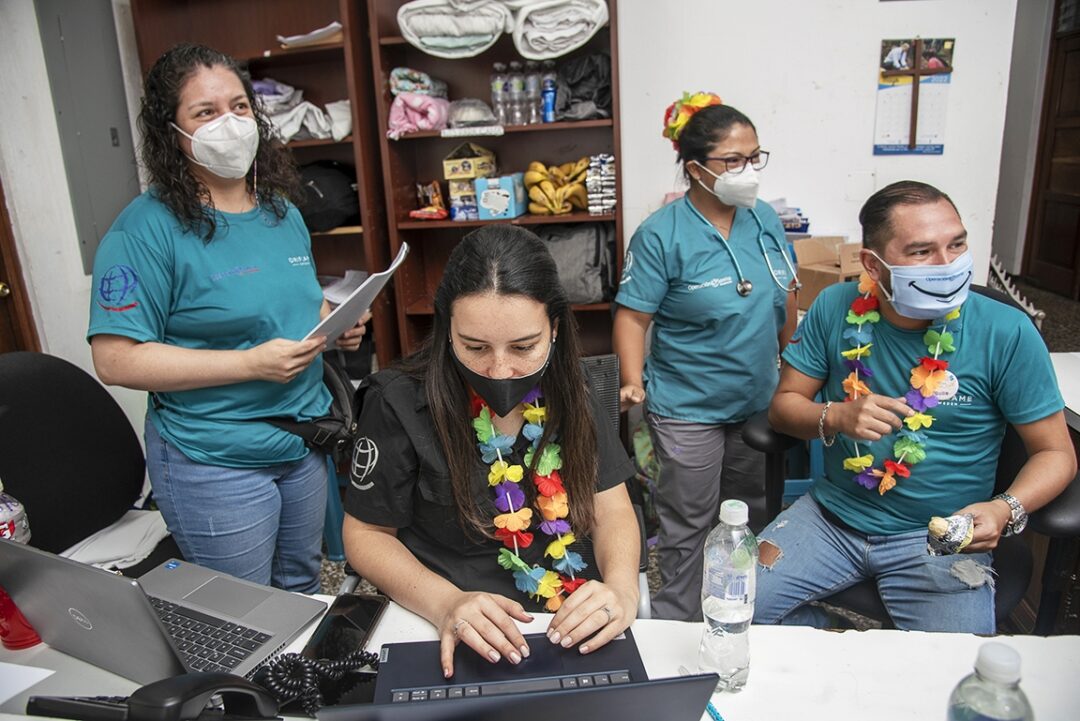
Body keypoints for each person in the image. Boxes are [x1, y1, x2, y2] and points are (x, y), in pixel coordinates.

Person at [87, 44, 367, 594]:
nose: (230, 124)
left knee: (301, 590)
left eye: (239, 107)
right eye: (205, 113)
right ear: (173, 131)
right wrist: (249, 365)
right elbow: (115, 358)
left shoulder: (280, 212)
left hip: (302, 441)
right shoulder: (144, 229)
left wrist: (336, 324)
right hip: (214, 458)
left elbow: (293, 305)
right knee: (243, 612)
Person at [757, 180, 1076, 632]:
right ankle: (826, 643)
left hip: (941, 538)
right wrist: (835, 416)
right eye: (922, 252)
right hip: (831, 519)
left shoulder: (1007, 332)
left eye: (957, 244)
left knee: (949, 686)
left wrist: (1005, 508)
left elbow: (1056, 454)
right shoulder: (835, 306)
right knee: (726, 613)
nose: (948, 265)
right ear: (874, 263)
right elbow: (783, 407)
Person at [342, 225, 640, 678]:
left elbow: (612, 508)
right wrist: (445, 603)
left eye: (524, 347)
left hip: (569, 625)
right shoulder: (399, 402)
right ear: (447, 331)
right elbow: (365, 533)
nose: (500, 370)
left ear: (554, 329)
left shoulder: (572, 389)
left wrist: (621, 589)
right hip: (455, 626)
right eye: (475, 347)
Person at [612, 92, 798, 621]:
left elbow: (785, 295)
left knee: (750, 512)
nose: (748, 171)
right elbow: (632, 316)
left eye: (755, 157)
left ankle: (739, 610)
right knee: (688, 520)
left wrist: (797, 370)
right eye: (733, 161)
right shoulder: (661, 235)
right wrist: (632, 380)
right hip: (687, 404)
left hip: (757, 398)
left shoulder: (763, 219)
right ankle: (675, 619)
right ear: (695, 169)